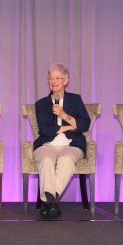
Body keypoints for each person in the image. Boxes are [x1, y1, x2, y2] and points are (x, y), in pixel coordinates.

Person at [33, 64, 91, 219]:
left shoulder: (75, 100)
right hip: (47, 144)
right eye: (51, 78)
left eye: (58, 78)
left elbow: (84, 124)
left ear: (66, 80)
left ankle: (48, 202)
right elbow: (46, 130)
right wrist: (70, 126)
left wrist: (64, 115)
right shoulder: (41, 104)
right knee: (46, 159)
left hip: (71, 145)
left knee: (66, 159)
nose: (54, 81)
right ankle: (51, 203)